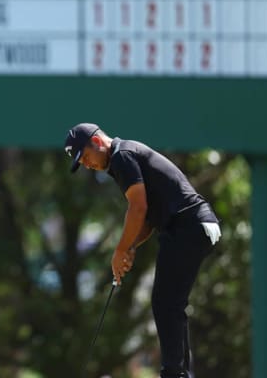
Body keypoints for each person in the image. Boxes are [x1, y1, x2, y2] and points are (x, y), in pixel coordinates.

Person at [63, 123, 221, 378]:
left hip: (188, 225)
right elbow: (147, 220)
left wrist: (120, 250)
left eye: (86, 157)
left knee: (165, 302)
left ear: (98, 142)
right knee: (170, 302)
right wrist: (131, 247)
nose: (87, 165)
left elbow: (138, 208)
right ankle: (179, 373)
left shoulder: (122, 156)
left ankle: (175, 374)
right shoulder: (120, 160)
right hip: (189, 227)